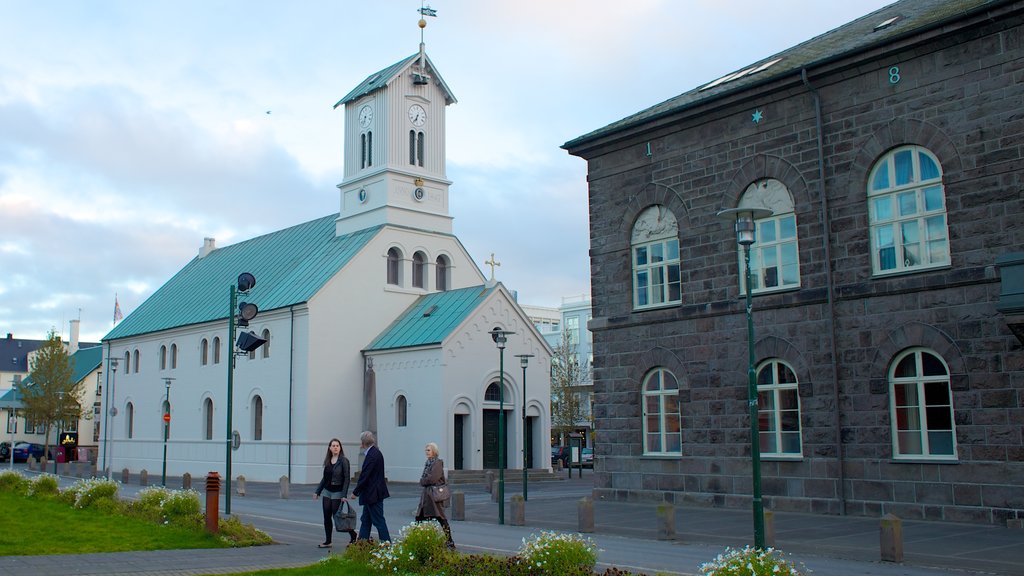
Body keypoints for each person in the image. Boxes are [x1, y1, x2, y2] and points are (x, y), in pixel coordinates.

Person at [313, 438, 355, 547]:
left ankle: (353, 535)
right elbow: (325, 478)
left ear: (340, 448)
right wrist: (318, 491)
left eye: (337, 445)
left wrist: (344, 495)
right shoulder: (328, 460)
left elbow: (347, 478)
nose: (335, 447)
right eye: (333, 445)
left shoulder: (344, 461)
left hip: (338, 492)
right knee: (326, 516)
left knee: (338, 517)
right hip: (327, 491)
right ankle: (328, 541)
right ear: (330, 448)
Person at [351, 430, 391, 542]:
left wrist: (356, 492)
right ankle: (362, 545)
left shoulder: (372, 455)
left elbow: (365, 476)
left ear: (363, 443)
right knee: (366, 520)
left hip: (373, 494)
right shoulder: (375, 452)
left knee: (378, 521)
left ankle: (387, 545)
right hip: (372, 494)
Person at [415, 442, 455, 550]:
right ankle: (418, 540)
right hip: (427, 495)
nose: (426, 452)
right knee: (419, 518)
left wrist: (423, 481)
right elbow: (425, 479)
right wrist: (424, 481)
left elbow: (432, 479)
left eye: (428, 450)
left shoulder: (437, 463)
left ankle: (450, 541)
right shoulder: (428, 463)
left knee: (440, 517)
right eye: (426, 450)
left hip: (434, 495)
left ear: (434, 451)